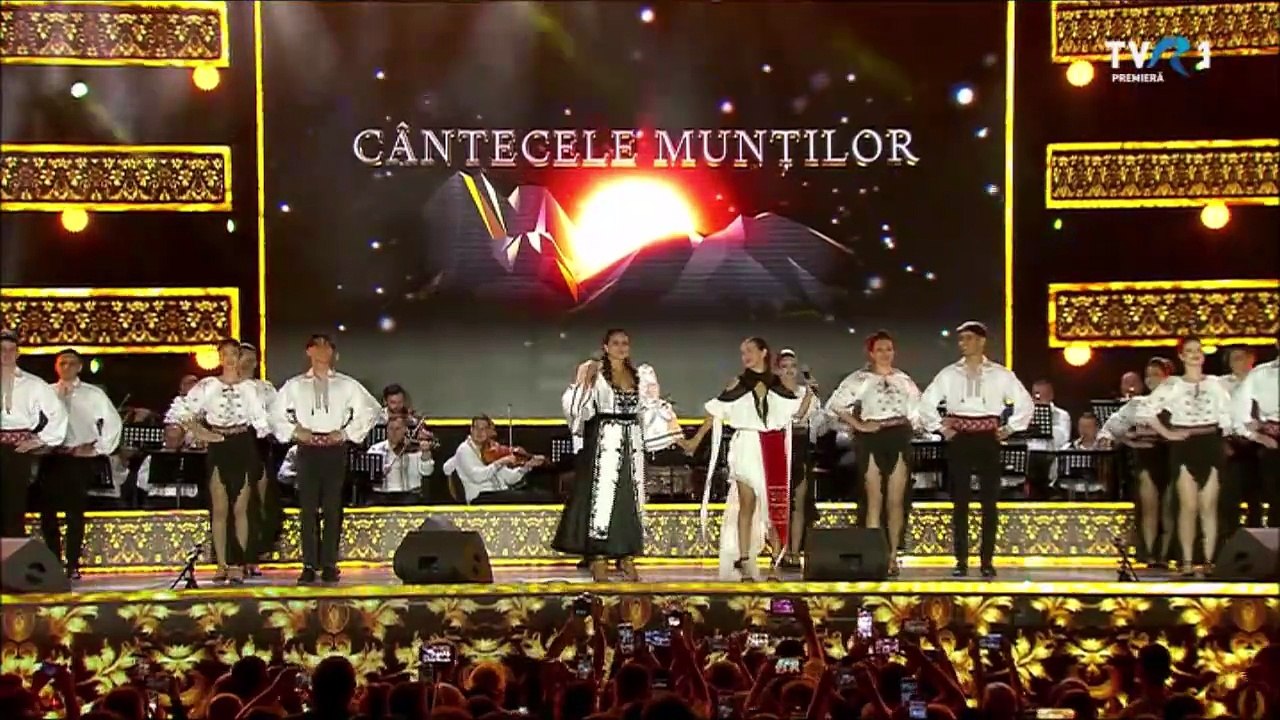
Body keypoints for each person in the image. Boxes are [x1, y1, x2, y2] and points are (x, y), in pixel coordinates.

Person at [681, 337, 804, 581]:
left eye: (750, 351)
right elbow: (716, 410)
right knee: (747, 503)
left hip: (772, 445)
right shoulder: (737, 383)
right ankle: (745, 560)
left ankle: (775, 563)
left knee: (774, 507)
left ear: (763, 352)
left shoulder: (777, 383)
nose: (745, 356)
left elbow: (794, 411)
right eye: (742, 352)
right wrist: (696, 440)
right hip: (746, 445)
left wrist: (808, 393)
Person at [918, 321, 1033, 578]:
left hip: (987, 438)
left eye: (968, 338)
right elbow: (925, 403)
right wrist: (941, 428)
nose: (963, 344)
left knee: (989, 501)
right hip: (960, 438)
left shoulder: (1001, 374)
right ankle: (961, 560)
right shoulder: (949, 374)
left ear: (982, 341)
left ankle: (987, 561)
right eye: (961, 339)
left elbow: (1025, 403)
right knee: (960, 500)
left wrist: (1010, 428)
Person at [270, 334, 379, 585]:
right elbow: (274, 413)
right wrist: (296, 432)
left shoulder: (347, 385)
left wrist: (345, 433)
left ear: (333, 352)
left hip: (334, 449)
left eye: (326, 347)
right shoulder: (295, 385)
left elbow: (370, 410)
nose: (321, 351)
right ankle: (309, 564)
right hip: (307, 449)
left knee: (332, 507)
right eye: (317, 347)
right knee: (307, 508)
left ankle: (329, 563)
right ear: (308, 351)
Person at [554, 329, 657, 582]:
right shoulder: (596, 373)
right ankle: (598, 557)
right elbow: (578, 408)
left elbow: (648, 409)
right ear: (606, 346)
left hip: (631, 440)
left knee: (628, 497)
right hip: (604, 439)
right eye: (616, 343)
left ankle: (625, 556)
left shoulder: (639, 375)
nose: (621, 347)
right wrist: (584, 381)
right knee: (601, 497)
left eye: (625, 343)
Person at [168, 338, 271, 584]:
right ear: (220, 358)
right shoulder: (207, 386)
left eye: (234, 354)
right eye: (225, 354)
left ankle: (238, 563)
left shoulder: (251, 389)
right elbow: (182, 413)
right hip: (218, 446)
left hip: (242, 444)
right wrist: (203, 433)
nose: (230, 359)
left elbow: (262, 422)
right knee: (220, 508)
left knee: (241, 508)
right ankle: (222, 563)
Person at [825, 330, 920, 576]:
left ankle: (893, 556)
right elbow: (834, 406)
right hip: (871, 438)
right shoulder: (859, 379)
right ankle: (873, 556)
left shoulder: (903, 380)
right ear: (871, 353)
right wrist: (858, 425)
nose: (885, 354)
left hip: (898, 437)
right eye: (879, 349)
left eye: (889, 349)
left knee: (896, 501)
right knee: (874, 500)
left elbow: (918, 411)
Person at [1138, 336, 1234, 576]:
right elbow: (1145, 410)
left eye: (1198, 350)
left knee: (1208, 506)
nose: (1195, 354)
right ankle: (1187, 561)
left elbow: (1228, 414)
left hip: (1210, 443)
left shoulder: (1215, 384)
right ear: (1181, 356)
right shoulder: (1173, 385)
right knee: (1188, 506)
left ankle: (1209, 561)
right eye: (1189, 351)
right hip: (1185, 445)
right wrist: (1167, 433)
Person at [40, 349, 122, 579]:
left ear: (79, 367)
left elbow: (113, 423)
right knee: (48, 513)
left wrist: (98, 449)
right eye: (62, 363)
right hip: (52, 457)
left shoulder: (93, 394)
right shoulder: (46, 392)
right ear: (56, 366)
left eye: (71, 363)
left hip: (78, 460)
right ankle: (53, 561)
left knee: (74, 512)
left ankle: (73, 563)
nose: (66, 367)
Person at [1101, 357, 1176, 566]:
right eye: (1148, 376)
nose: (1151, 380)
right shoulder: (1138, 404)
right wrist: (1126, 437)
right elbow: (1111, 426)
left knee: (1169, 510)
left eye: (1156, 375)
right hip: (1147, 458)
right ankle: (1149, 553)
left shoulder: (1179, 403)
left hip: (1171, 458)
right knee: (1149, 508)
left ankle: (1166, 554)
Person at [0, 330, 70, 538]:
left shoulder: (33, 384)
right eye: (2, 350)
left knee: (13, 509)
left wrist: (39, 440)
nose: (6, 354)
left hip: (17, 450)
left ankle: (12, 556)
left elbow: (58, 413)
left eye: (11, 350)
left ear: (17, 353)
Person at [774, 349, 825, 567]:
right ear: (777, 370)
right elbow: (793, 418)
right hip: (780, 446)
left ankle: (795, 551)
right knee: (781, 502)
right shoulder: (773, 395)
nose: (789, 371)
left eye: (793, 366)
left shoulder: (806, 392)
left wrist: (812, 396)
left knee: (799, 502)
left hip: (801, 447)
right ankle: (780, 551)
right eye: (784, 367)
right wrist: (808, 397)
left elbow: (817, 423)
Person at [238, 343, 279, 577]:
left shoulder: (265, 389)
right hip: (234, 446)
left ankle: (253, 554)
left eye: (253, 359)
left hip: (259, 447)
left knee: (258, 503)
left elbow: (277, 417)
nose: (250, 363)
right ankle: (236, 557)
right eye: (245, 358)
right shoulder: (225, 388)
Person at [444, 415, 549, 504]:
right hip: (480, 496)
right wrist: (500, 462)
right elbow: (477, 477)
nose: (480, 432)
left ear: (488, 432)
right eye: (477, 428)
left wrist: (527, 466)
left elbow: (509, 478)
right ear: (471, 429)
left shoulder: (489, 449)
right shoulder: (464, 450)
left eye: (484, 429)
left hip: (498, 493)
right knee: (531, 499)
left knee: (541, 495)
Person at [1233, 335, 1279, 528]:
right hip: (1273, 442)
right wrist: (1257, 435)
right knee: (1275, 499)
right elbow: (1239, 414)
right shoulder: (1260, 374)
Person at [1219, 346, 1260, 532]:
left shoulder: (1262, 382)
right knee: (1230, 496)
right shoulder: (1221, 385)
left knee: (1256, 495)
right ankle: (1230, 536)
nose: (1236, 363)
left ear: (1251, 359)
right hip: (1232, 445)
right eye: (1232, 359)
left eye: (1240, 358)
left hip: (1259, 445)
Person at [365, 415, 435, 504]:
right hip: (382, 495)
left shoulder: (415, 449)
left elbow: (427, 472)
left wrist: (425, 453)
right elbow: (366, 476)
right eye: (391, 429)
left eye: (397, 429)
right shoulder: (375, 449)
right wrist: (379, 472)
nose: (394, 432)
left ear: (405, 430)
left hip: (409, 494)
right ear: (387, 430)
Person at [1026, 380, 1071, 499]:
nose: (1038, 398)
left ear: (1051, 396)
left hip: (1049, 456)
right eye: (1035, 394)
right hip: (1028, 457)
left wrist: (1043, 426)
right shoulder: (1024, 414)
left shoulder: (1062, 415)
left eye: (1042, 394)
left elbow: (1062, 439)